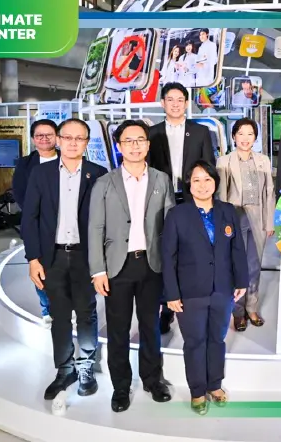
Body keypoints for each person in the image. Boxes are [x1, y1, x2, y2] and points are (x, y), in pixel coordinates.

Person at [88, 120, 175, 412]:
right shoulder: (105, 182)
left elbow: (170, 224)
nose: (135, 146)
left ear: (148, 145)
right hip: (117, 267)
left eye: (140, 140)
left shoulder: (162, 180)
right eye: (128, 140)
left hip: (152, 264)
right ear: (119, 146)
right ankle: (121, 387)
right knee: (118, 330)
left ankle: (152, 379)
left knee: (151, 326)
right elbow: (95, 228)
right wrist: (98, 270)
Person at [21, 118, 107, 401]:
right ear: (58, 140)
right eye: (67, 137)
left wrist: (102, 263)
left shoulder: (98, 174)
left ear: (86, 143)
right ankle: (64, 369)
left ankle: (86, 368)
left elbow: (105, 221)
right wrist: (33, 258)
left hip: (85, 256)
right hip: (52, 257)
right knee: (59, 316)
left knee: (86, 314)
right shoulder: (41, 173)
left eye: (79, 138)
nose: (72, 143)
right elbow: (30, 218)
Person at [161, 160, 249, 415]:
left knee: (217, 339)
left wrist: (241, 280)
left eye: (207, 179)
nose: (202, 185)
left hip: (222, 288)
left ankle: (215, 384)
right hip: (190, 292)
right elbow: (168, 257)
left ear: (215, 182)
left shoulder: (227, 211)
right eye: (196, 180)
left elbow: (237, 248)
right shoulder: (177, 215)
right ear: (189, 184)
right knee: (194, 342)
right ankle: (198, 390)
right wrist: (171, 294)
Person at [148, 81, 216, 334]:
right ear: (162, 103)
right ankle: (165, 309)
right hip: (162, 201)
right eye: (170, 99)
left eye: (180, 100)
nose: (175, 104)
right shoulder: (152, 133)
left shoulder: (200, 132)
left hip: (192, 199)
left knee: (193, 253)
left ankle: (194, 305)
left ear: (187, 103)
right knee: (165, 254)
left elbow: (209, 167)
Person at [216, 118, 275, 331]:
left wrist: (269, 222)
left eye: (250, 134)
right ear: (233, 136)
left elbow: (269, 192)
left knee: (254, 265)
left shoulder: (263, 161)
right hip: (234, 217)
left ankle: (252, 307)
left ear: (255, 138)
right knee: (235, 265)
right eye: (241, 133)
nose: (245, 138)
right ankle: (238, 312)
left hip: (257, 216)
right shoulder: (224, 162)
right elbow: (221, 195)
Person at [12, 119, 59, 324]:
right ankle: (47, 309)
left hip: (66, 223)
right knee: (39, 268)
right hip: (37, 223)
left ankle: (68, 306)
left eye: (49, 134)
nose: (44, 138)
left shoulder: (68, 159)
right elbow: (20, 193)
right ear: (33, 139)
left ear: (57, 137)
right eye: (39, 135)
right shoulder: (25, 164)